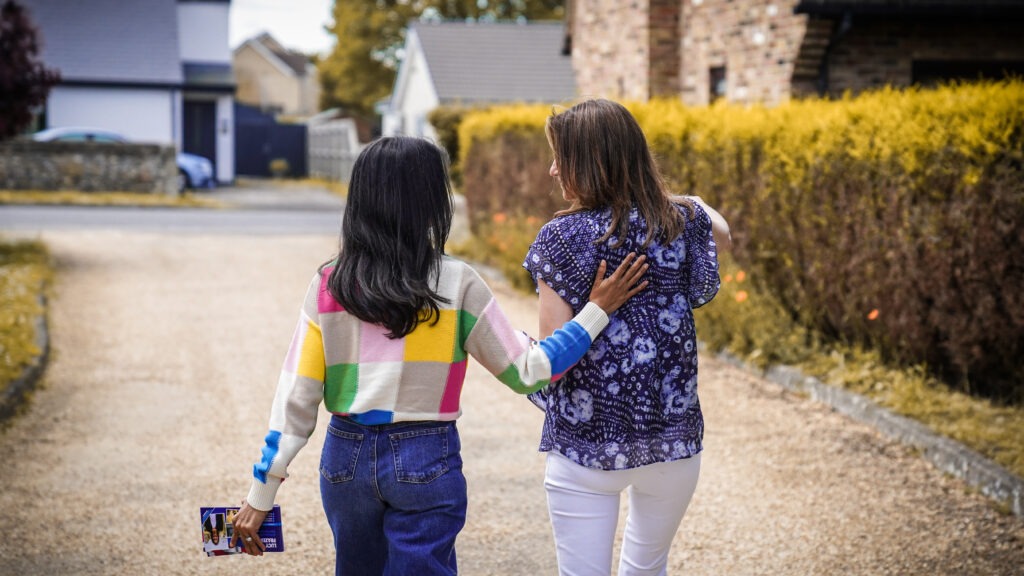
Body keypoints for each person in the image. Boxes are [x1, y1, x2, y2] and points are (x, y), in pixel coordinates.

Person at [229, 136, 650, 575]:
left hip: (344, 460)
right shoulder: (456, 283)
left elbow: (295, 397)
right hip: (425, 456)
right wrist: (596, 312)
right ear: (431, 202)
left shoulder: (328, 285)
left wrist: (261, 494)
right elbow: (530, 372)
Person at [523, 98, 731, 576]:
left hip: (585, 444)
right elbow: (723, 231)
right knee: (647, 566)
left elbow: (555, 355)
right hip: (671, 441)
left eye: (561, 157)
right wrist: (693, 201)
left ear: (591, 162)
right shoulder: (681, 222)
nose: (554, 170)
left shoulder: (562, 238)